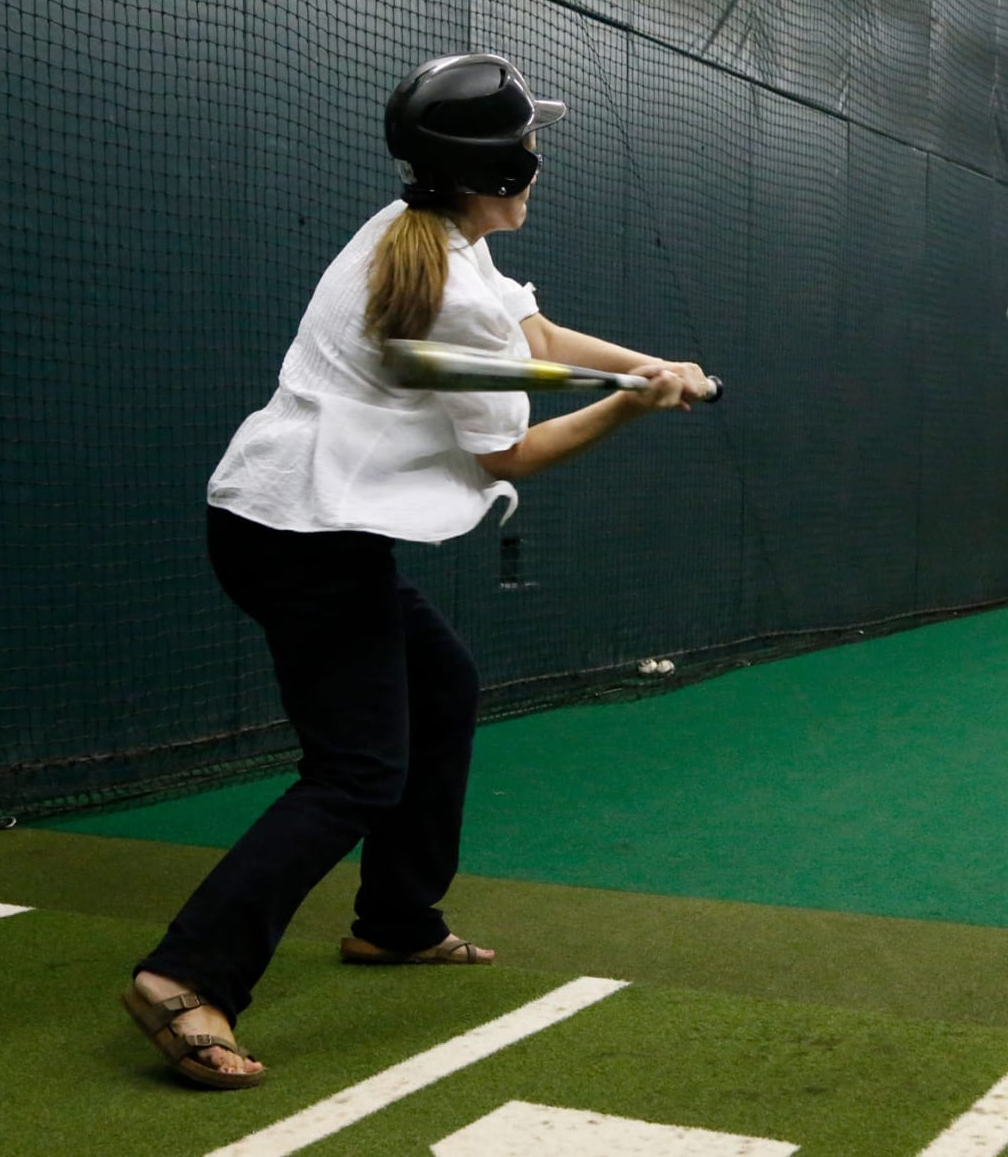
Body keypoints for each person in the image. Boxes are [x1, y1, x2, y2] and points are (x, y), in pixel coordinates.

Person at [121, 53, 709, 1089]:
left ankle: (395, 920)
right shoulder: (443, 287)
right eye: (532, 147)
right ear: (501, 170)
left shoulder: (428, 235)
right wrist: (628, 407)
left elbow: (534, 335)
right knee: (355, 771)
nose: (541, 161)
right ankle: (186, 975)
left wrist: (643, 366)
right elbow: (508, 454)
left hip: (300, 520)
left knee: (443, 690)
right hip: (303, 535)